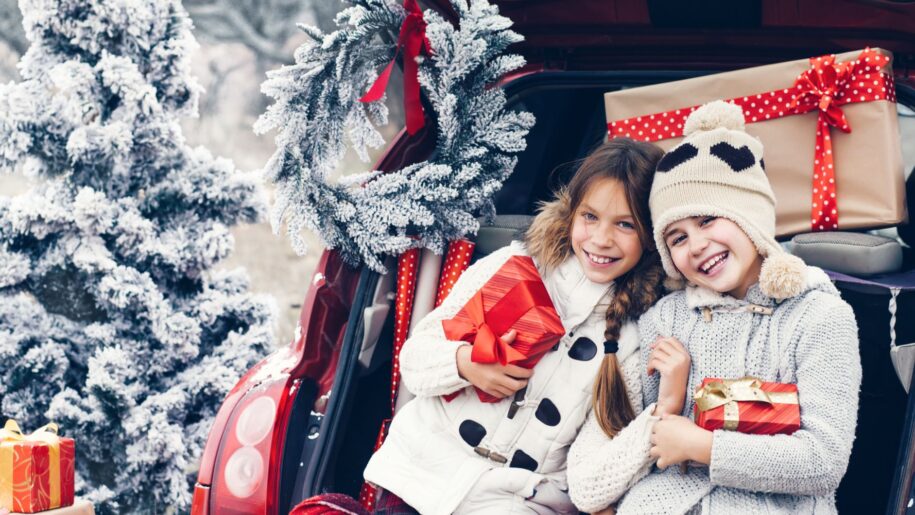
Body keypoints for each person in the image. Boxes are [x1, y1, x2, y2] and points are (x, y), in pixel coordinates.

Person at [570, 100, 862, 515]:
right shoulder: (664, 320)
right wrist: (666, 406)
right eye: (677, 238)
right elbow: (591, 474)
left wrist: (702, 446)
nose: (697, 246)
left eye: (708, 220)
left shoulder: (819, 317)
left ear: (748, 214)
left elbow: (822, 462)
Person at [363, 137, 666, 514]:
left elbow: (596, 452)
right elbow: (415, 361)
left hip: (521, 500)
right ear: (571, 212)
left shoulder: (636, 335)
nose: (601, 239)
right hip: (424, 472)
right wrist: (464, 363)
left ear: (652, 234)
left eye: (625, 224)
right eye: (590, 217)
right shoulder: (513, 265)